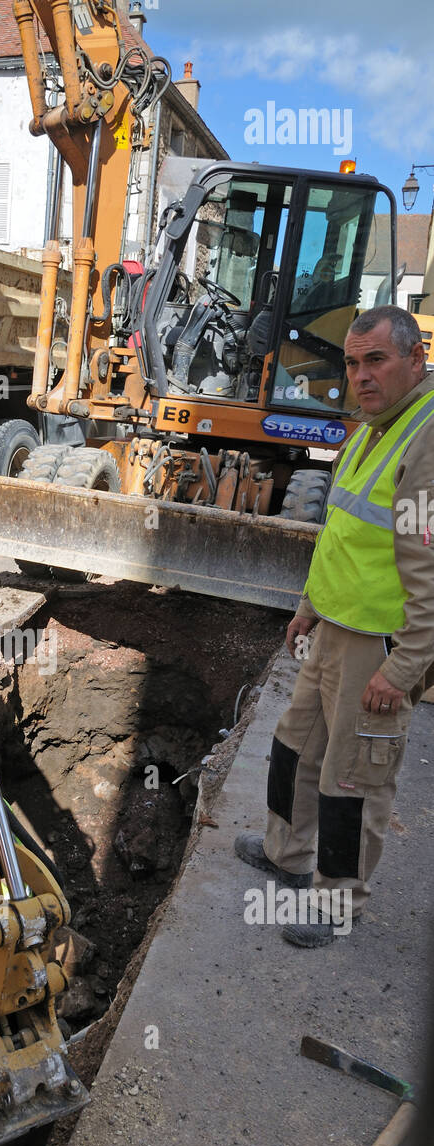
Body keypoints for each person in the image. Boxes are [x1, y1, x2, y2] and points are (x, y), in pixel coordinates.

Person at [235, 305, 434, 946]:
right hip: (333, 627)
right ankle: (285, 855)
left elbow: (428, 570)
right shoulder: (374, 426)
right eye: (352, 363)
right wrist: (308, 608)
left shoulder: (425, 440)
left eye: (375, 360)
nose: (360, 375)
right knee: (295, 748)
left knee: (353, 777)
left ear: (415, 359)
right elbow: (343, 533)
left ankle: (336, 903)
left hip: (376, 645)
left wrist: (403, 668)